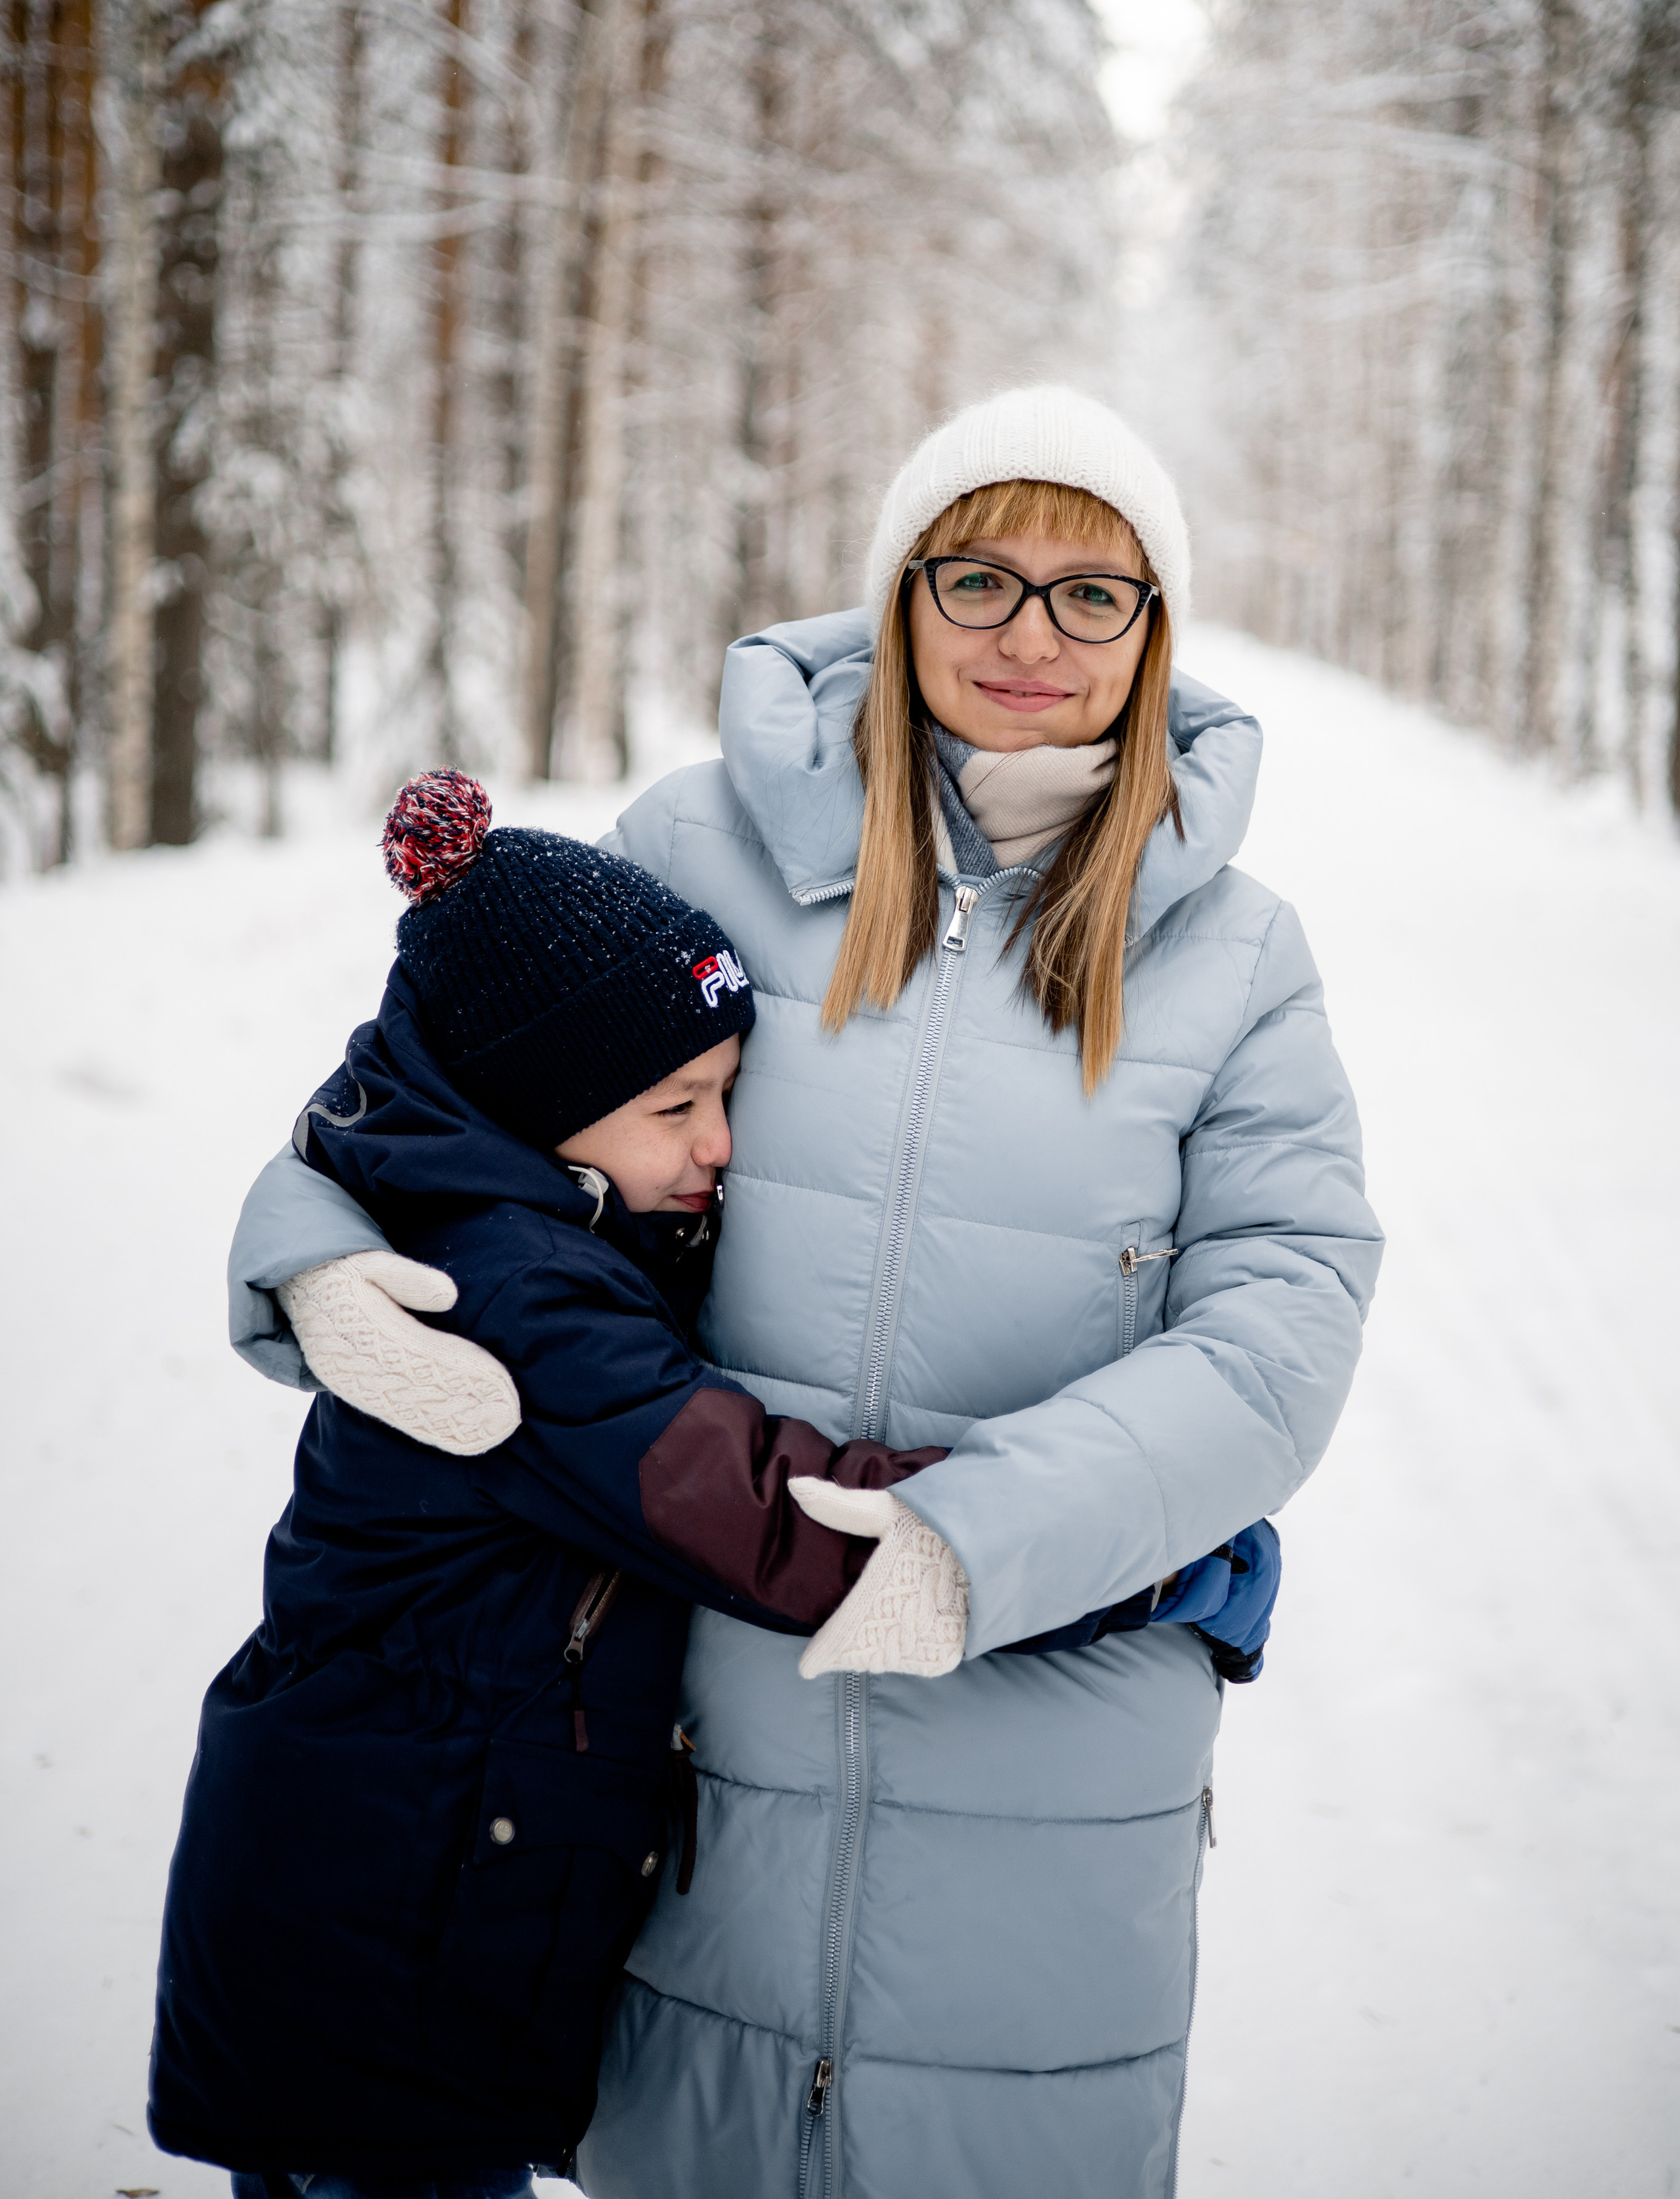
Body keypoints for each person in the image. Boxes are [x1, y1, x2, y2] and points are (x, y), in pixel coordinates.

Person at [222, 384, 1379, 2199]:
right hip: (696, 1720)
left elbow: (1282, 1322)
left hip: (1053, 1735)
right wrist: (307, 1254)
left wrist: (984, 1545)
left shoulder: (1235, 956)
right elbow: (449, 1087)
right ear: (898, 590)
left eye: (1095, 593)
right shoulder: (703, 845)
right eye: (979, 577)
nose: (1027, 636)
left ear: (1154, 635)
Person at [156, 768, 1272, 2199]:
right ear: (538, 1105)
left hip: (396, 1901)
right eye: (677, 1106)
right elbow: (764, 1516)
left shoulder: (525, 1220)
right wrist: (1138, 1557)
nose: (718, 1149)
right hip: (379, 1941)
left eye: (727, 1097)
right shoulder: (518, 1304)